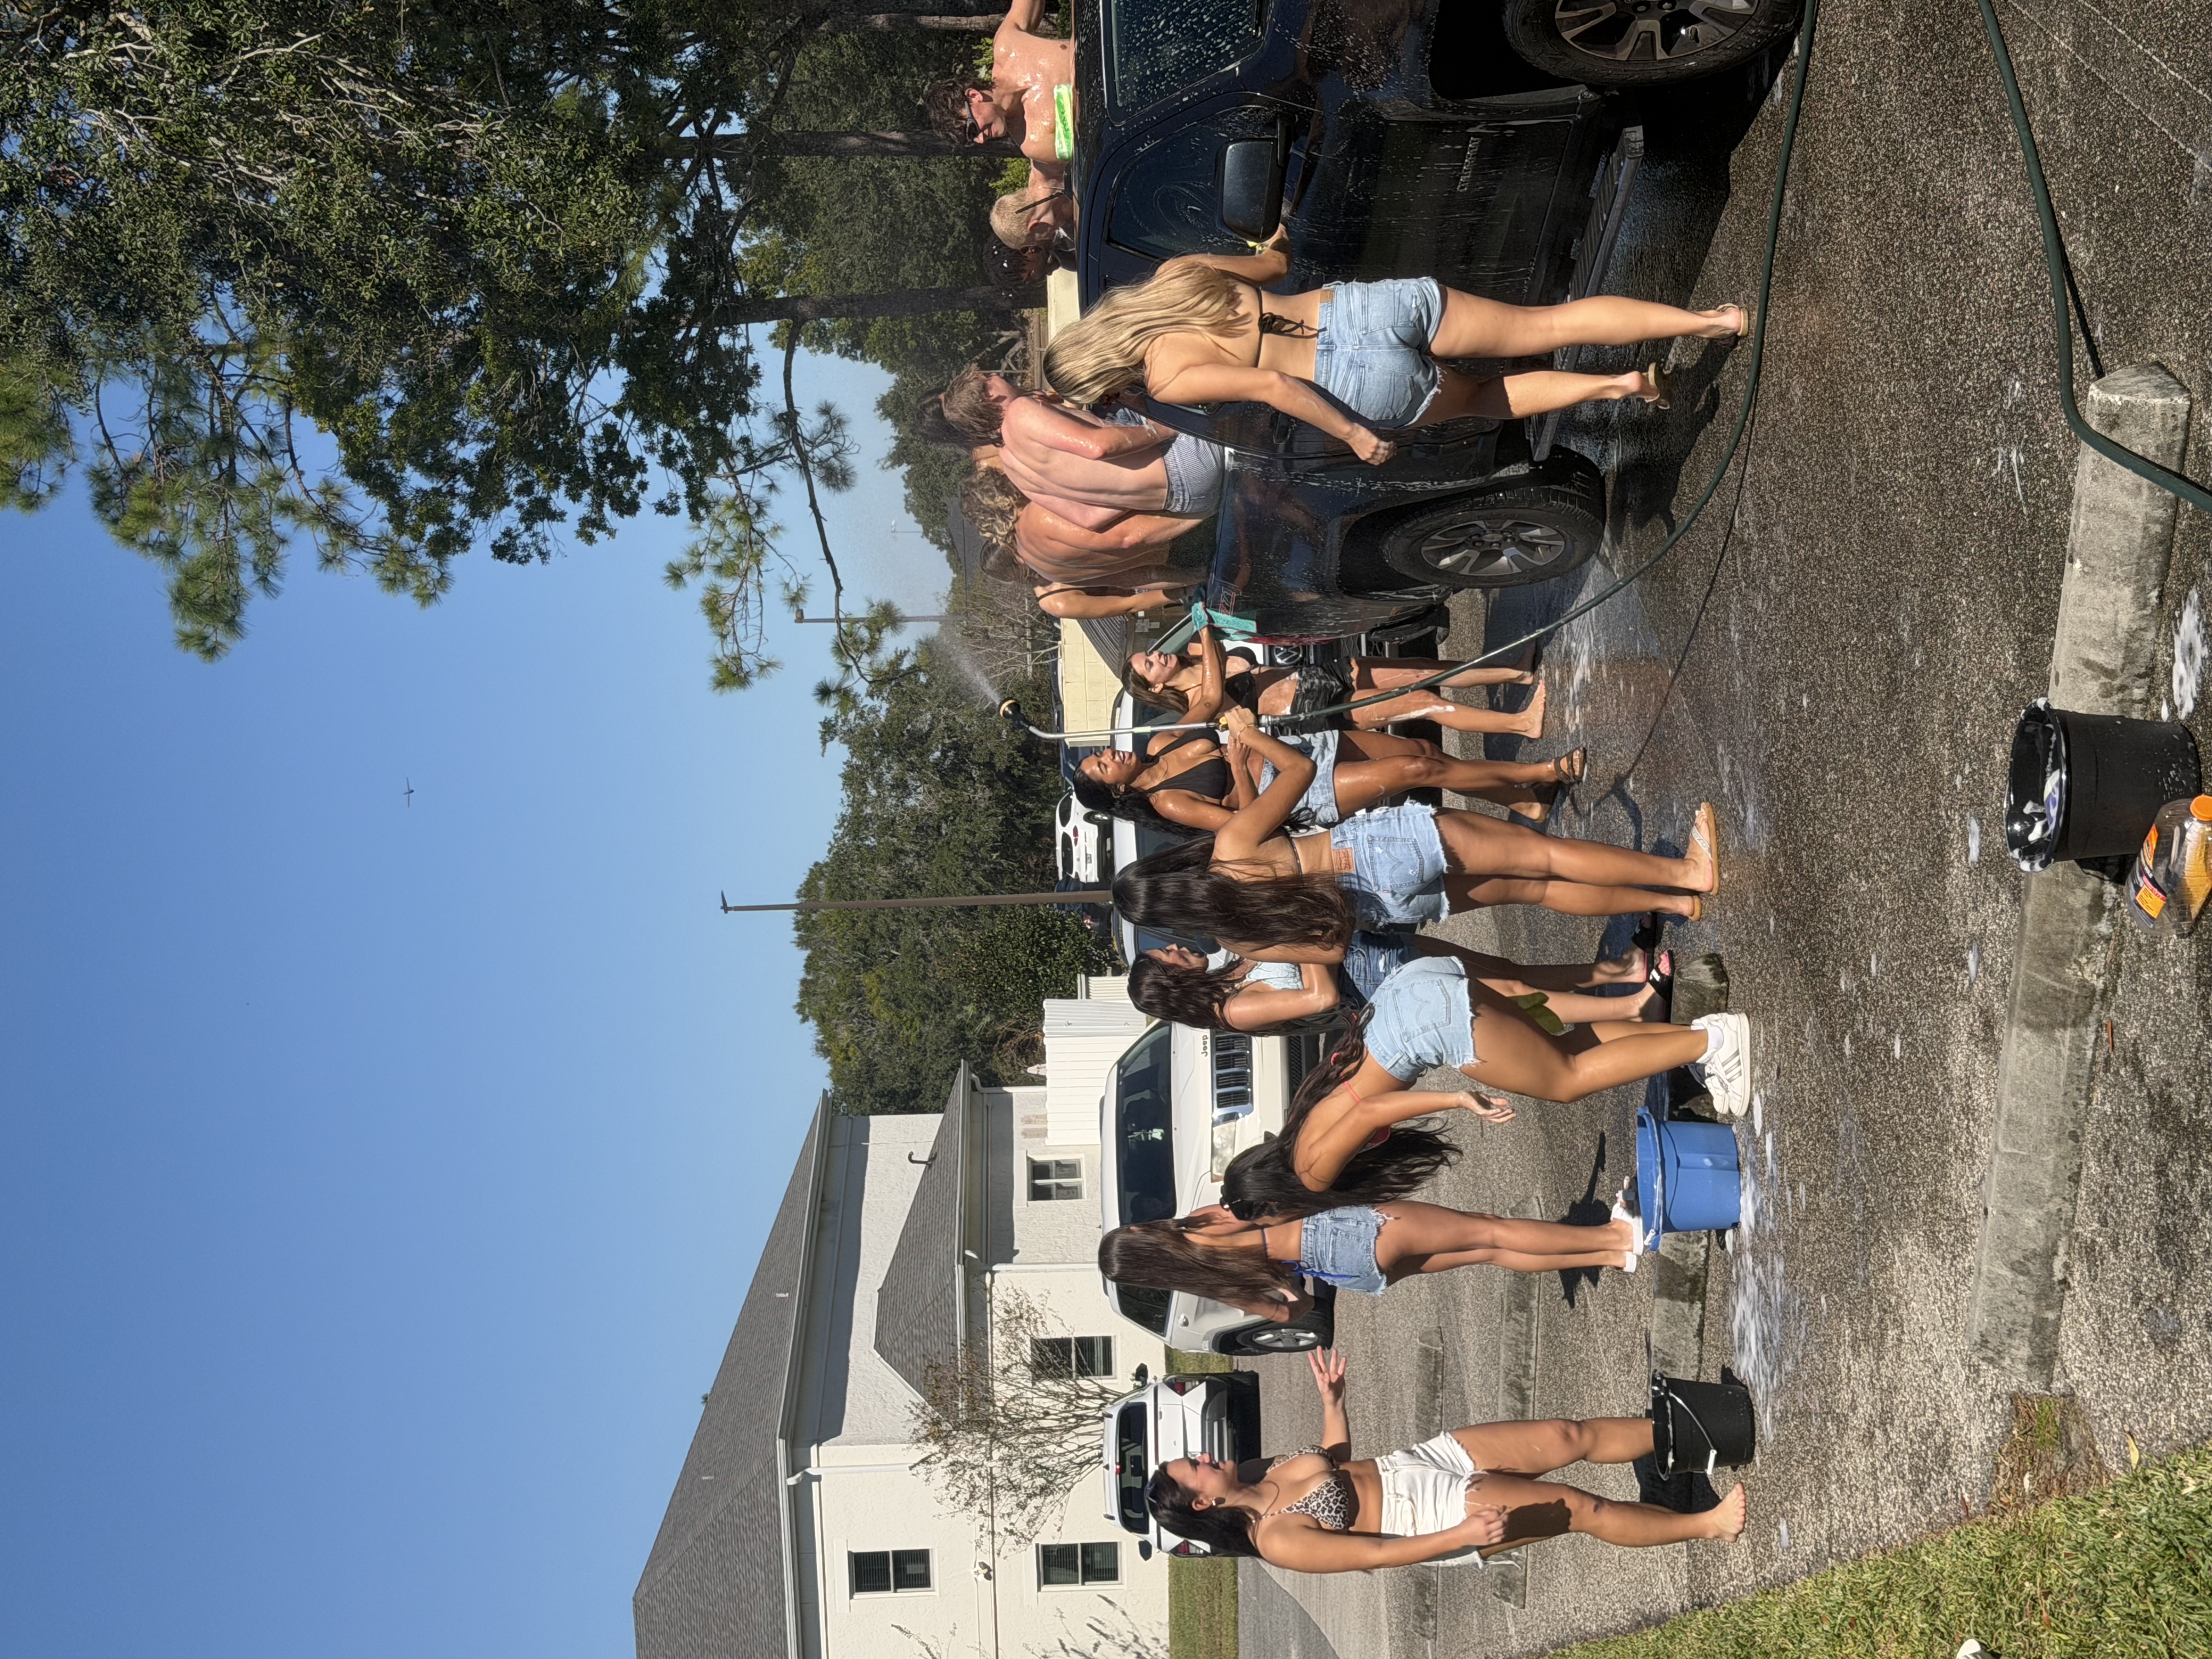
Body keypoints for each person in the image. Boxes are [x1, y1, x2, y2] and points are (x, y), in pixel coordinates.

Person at [1042, 227, 1750, 466]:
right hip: (1358, 309)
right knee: (1548, 324)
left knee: (1494, 400)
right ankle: (1711, 322)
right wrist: (1275, 239)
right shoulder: (1173, 279)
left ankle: (1621, 388)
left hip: (1359, 384)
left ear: (1105, 377)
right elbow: (1277, 269)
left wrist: (1353, 435)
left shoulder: (1165, 380)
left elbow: (1275, 389)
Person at [1209, 956, 1752, 1226]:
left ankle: (1715, 1040)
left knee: (1566, 1081)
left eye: (1270, 1222)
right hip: (1404, 994)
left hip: (1427, 1024)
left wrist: (1456, 1100)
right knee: (1567, 1049)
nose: (1281, 1229)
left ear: (1270, 1205)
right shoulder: (1298, 1127)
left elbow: (1368, 1107)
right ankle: (1694, 1041)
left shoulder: (1309, 1172)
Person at [1110, 706, 1719, 933]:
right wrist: (1250, 738)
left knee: (1538, 891)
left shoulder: (1235, 932)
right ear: (1167, 868)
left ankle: (1673, 906)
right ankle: (1686, 873)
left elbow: (1325, 946)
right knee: (1547, 857)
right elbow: (1296, 773)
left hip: (1380, 905)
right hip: (1373, 849)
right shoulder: (1229, 849)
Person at [1142, 1349, 1746, 1570]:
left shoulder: (1253, 1471)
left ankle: (1690, 1431)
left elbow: (1333, 1461)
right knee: (1580, 1507)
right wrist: (1459, 1536)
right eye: (1192, 1465)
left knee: (1568, 1434)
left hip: (1420, 1461)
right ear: (1202, 1502)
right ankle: (1706, 1526)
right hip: (1428, 1519)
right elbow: (1378, 1554)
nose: (1202, 1454)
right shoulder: (1278, 1541)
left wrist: (1334, 1404)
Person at [1100, 1195, 1644, 1319]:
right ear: (1136, 1234)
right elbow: (1268, 1202)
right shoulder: (1199, 1225)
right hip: (1345, 1232)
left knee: (1489, 1251)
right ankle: (1614, 1238)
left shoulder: (1206, 1282)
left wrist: (1289, 1284)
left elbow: (1296, 1313)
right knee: (1490, 1228)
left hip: (1346, 1271)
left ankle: (1612, 1253)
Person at [1125, 934, 1667, 1035]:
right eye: (1170, 957)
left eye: (1169, 946)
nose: (1178, 948)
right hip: (1381, 986)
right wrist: (1292, 938)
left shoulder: (1227, 958)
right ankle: (1632, 1010)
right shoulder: (1233, 1009)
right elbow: (1321, 997)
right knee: (1508, 997)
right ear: (1174, 986)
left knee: (1506, 971)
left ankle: (1620, 973)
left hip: (1374, 950)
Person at [1121, 627, 1552, 741]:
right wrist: (1204, 630)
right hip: (1308, 713)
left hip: (1313, 675)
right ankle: (1521, 725)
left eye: (1151, 652)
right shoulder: (1197, 707)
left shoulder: (1200, 652)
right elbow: (1216, 695)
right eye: (1150, 664)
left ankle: (1516, 672)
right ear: (1156, 688)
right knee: (1421, 702)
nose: (1157, 655)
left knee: (1421, 669)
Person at [939, 367, 1226, 522]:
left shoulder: (1013, 467)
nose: (997, 376)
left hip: (1184, 500)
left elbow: (1088, 518)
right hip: (1179, 460)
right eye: (988, 377)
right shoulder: (1019, 413)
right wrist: (1163, 428)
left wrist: (1136, 487)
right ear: (989, 396)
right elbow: (1097, 446)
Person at [924, 0, 1075, 177]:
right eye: (972, 139)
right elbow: (1100, 145)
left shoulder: (1008, 46)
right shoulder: (1033, 143)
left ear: (973, 97)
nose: (980, 140)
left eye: (973, 130)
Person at [990, 170, 1075, 251]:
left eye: (1036, 240)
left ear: (1034, 226)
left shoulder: (1047, 163)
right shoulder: (1049, 174)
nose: (1048, 239)